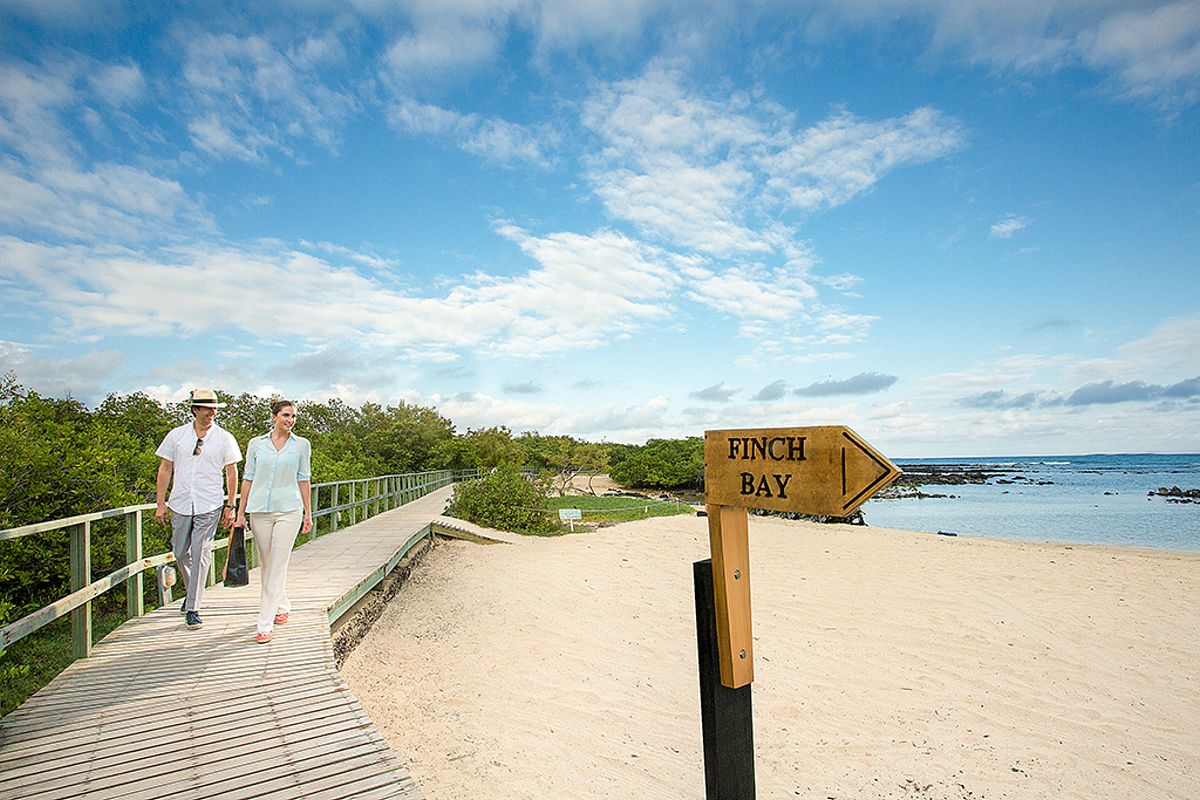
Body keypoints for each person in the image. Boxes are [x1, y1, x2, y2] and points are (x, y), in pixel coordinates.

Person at [155, 388, 242, 630]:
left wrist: (230, 505)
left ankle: (193, 607)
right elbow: (165, 468)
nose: (212, 412)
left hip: (210, 503)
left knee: (201, 552)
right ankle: (194, 591)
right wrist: (160, 503)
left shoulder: (225, 438)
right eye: (207, 408)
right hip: (181, 502)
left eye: (215, 408)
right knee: (181, 552)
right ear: (195, 410)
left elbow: (231, 472)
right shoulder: (177, 435)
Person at [234, 399, 313, 643]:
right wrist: (240, 512)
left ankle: (264, 622)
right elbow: (247, 478)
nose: (290, 420)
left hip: (289, 510)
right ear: (274, 417)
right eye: (286, 415)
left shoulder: (301, 445)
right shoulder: (256, 444)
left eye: (293, 416)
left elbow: (304, 479)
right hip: (259, 510)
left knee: (278, 562)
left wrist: (307, 513)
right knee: (268, 563)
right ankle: (283, 604)